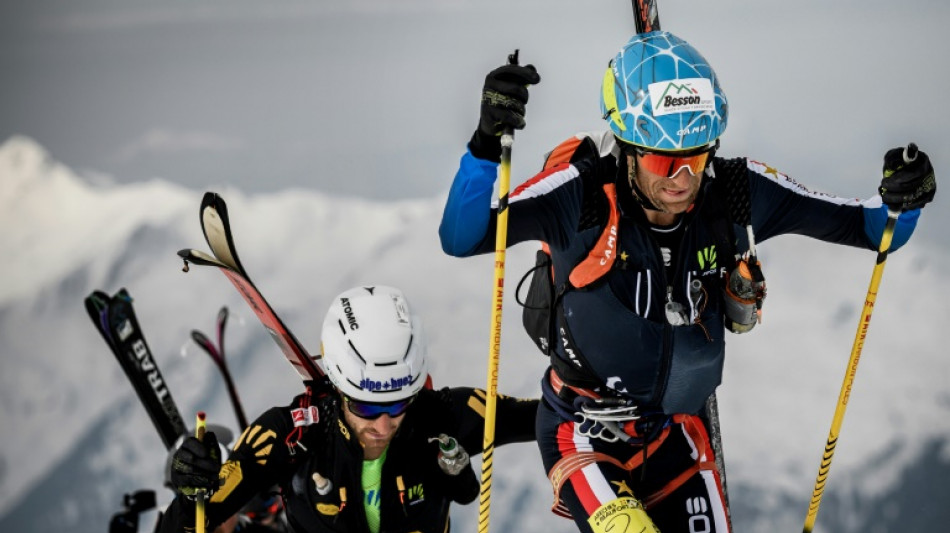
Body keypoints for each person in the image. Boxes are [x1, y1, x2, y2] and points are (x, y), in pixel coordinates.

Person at [438, 31, 936, 533]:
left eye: (696, 156)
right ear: (628, 149)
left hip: (677, 433)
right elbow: (463, 235)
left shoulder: (734, 191)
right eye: (662, 160)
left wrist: (903, 201)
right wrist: (485, 144)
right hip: (583, 432)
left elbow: (871, 229)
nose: (682, 178)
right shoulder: (580, 196)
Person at [158, 285, 539, 533]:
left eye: (399, 403)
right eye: (366, 407)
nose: (385, 424)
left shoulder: (443, 416)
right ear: (338, 388)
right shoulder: (292, 433)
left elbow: (552, 415)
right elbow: (190, 523)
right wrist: (192, 487)